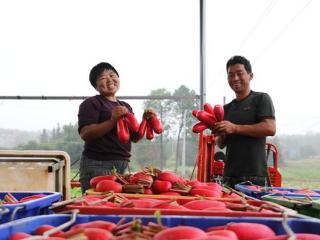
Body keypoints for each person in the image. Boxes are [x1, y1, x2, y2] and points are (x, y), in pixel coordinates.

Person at [77, 62, 146, 193]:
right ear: (96, 86)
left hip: (122, 163)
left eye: (112, 75)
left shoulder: (125, 105)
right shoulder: (91, 103)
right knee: (97, 205)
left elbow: (135, 137)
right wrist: (112, 120)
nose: (109, 79)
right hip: (98, 164)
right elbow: (86, 133)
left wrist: (146, 120)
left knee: (115, 205)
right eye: (103, 78)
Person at [213, 55, 276, 188]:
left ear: (250, 75)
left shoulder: (261, 99)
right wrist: (220, 131)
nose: (235, 78)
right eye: (230, 75)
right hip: (229, 176)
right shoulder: (226, 109)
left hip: (256, 177)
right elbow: (221, 144)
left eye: (239, 73)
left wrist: (235, 128)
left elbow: (270, 128)